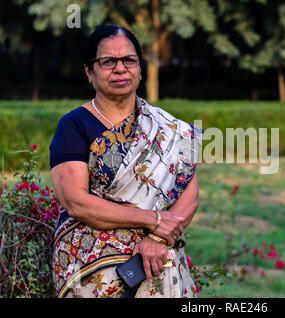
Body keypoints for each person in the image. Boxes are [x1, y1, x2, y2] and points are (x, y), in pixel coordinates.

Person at [49, 25, 202, 298]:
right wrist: (152, 220)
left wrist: (155, 238)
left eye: (129, 60)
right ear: (89, 72)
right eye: (107, 61)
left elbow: (189, 194)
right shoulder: (74, 125)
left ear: (140, 68)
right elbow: (76, 201)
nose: (120, 69)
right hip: (93, 271)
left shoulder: (167, 128)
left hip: (157, 262)